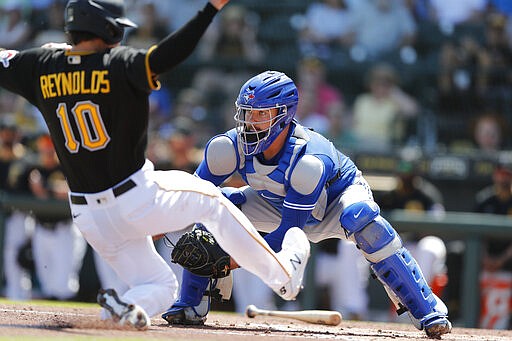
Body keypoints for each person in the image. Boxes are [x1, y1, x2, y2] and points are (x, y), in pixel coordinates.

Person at [0, 0, 310, 330]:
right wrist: (210, 9)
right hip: (133, 197)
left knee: (162, 286)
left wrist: (50, 57)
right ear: (108, 27)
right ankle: (283, 278)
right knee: (214, 200)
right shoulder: (119, 63)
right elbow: (169, 54)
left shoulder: (42, 64)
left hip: (88, 216)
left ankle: (127, 305)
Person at [162, 70, 452, 339]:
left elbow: (288, 237)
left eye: (261, 114)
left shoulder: (308, 159)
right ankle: (190, 302)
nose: (250, 123)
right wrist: (176, 225)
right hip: (275, 203)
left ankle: (425, 307)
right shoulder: (227, 146)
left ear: (284, 115)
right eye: (247, 113)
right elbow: (194, 197)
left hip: (334, 203)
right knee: (215, 208)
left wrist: (227, 261)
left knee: (363, 220)